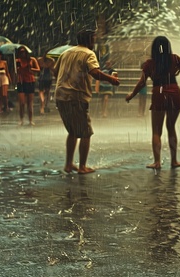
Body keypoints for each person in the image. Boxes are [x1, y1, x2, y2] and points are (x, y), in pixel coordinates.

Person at [53, 28, 119, 174]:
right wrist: (111, 80)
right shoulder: (89, 54)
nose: (94, 43)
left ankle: (69, 164)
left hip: (61, 96)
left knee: (72, 131)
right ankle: (82, 167)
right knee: (85, 133)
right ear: (89, 40)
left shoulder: (66, 53)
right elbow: (94, 72)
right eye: (93, 40)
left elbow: (55, 71)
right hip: (76, 97)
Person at [125, 36, 180, 169]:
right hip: (174, 91)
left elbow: (142, 82)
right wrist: (178, 70)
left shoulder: (150, 63)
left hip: (159, 92)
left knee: (156, 131)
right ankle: (174, 161)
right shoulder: (175, 59)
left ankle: (157, 162)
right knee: (171, 127)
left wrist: (132, 95)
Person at [16, 46, 40, 125]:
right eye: (21, 52)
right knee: (22, 103)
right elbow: (14, 71)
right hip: (21, 81)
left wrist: (31, 69)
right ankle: (21, 119)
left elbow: (38, 69)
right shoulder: (17, 61)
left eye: (23, 52)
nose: (22, 53)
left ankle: (30, 120)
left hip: (30, 81)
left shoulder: (32, 60)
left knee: (30, 103)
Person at [37, 50, 55, 115]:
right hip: (43, 77)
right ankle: (43, 105)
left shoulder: (51, 60)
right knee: (43, 91)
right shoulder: (40, 60)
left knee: (46, 92)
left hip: (47, 77)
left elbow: (53, 69)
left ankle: (44, 106)